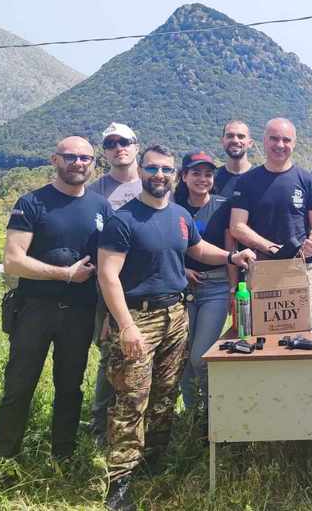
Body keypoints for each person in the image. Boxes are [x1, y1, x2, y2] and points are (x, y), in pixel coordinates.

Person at [98, 145, 255, 509]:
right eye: (153, 169)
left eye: (165, 169)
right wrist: (125, 325)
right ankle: (120, 483)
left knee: (166, 394)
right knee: (131, 399)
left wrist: (232, 256)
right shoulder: (124, 220)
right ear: (142, 171)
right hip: (139, 318)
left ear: (174, 175)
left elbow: (199, 251)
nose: (160, 175)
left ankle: (154, 463)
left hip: (175, 315)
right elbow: (108, 277)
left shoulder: (180, 215)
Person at [0, 137, 111, 461]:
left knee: (70, 388)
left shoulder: (101, 207)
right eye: (71, 157)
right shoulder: (32, 203)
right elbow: (13, 260)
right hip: (35, 310)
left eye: (85, 158)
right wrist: (65, 274)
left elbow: (109, 264)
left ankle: (64, 457)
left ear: (93, 163)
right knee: (19, 386)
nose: (78, 163)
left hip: (80, 312)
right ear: (55, 160)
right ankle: (5, 458)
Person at [229, 118, 312, 313]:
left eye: (286, 140)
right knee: (261, 335)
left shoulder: (308, 180)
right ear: (264, 141)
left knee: (311, 331)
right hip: (262, 269)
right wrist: (271, 248)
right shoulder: (246, 182)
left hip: (302, 267)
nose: (280, 145)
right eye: (274, 139)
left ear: (294, 143)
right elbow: (237, 226)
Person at [88, 122, 142, 442]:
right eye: (111, 143)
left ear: (136, 145)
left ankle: (141, 423)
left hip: (150, 289)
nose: (119, 147)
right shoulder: (95, 192)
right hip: (108, 290)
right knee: (111, 359)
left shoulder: (154, 184)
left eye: (125, 141)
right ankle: (100, 428)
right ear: (105, 151)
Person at [174, 151, 234, 418]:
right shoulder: (172, 206)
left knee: (201, 356)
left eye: (208, 174)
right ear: (184, 176)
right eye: (195, 173)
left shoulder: (223, 206)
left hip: (217, 287)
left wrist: (234, 289)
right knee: (184, 358)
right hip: (180, 289)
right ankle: (192, 416)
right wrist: (181, 269)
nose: (202, 178)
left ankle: (216, 410)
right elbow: (164, 247)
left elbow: (230, 250)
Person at [213, 119, 255, 197]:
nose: (235, 140)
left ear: (250, 143)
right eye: (230, 136)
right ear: (222, 141)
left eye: (241, 137)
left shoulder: (260, 178)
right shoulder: (211, 179)